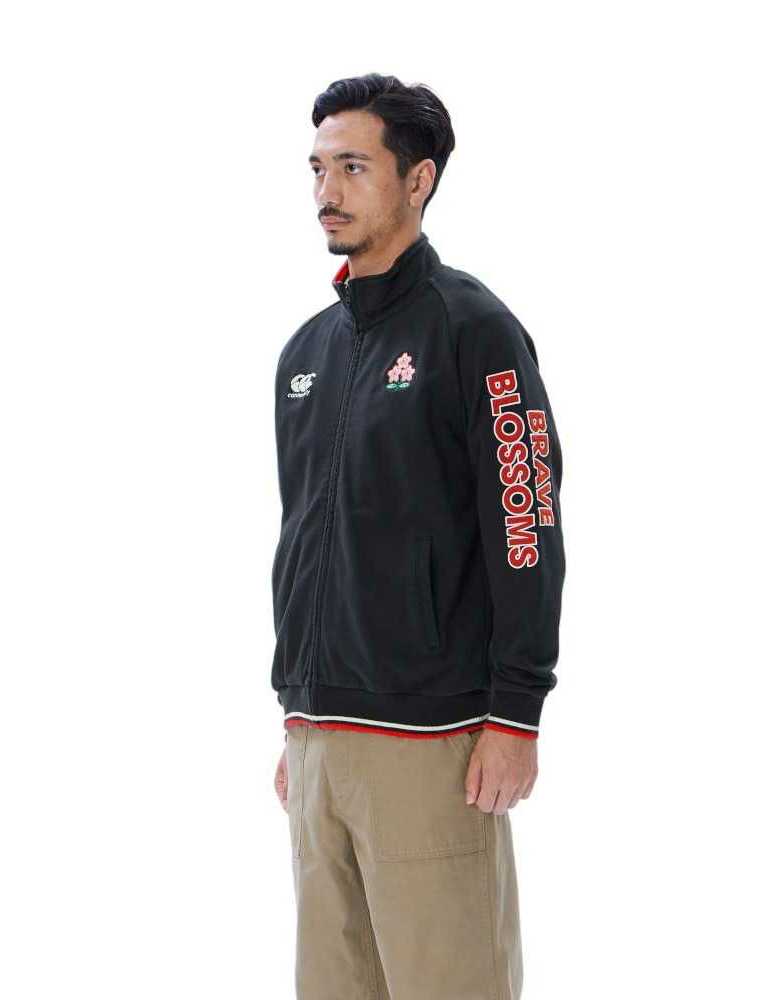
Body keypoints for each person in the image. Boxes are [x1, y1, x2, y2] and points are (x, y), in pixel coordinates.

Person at [270, 73, 566, 1000]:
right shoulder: (306, 353)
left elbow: (526, 521)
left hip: (430, 736)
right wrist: (300, 713)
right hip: (320, 736)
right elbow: (307, 541)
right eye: (318, 168)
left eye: (354, 167)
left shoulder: (474, 330)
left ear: (418, 178)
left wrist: (515, 711)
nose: (327, 191)